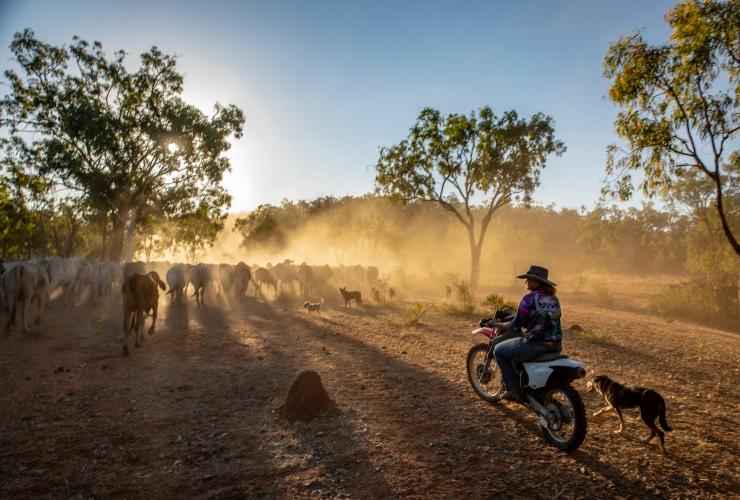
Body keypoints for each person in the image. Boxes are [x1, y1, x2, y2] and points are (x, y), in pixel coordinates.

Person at [492, 265, 562, 401]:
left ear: (537, 282)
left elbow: (515, 325)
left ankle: (512, 389)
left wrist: (496, 324)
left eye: (529, 279)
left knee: (498, 351)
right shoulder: (554, 299)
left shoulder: (528, 299)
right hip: (556, 345)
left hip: (535, 345)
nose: (526, 282)